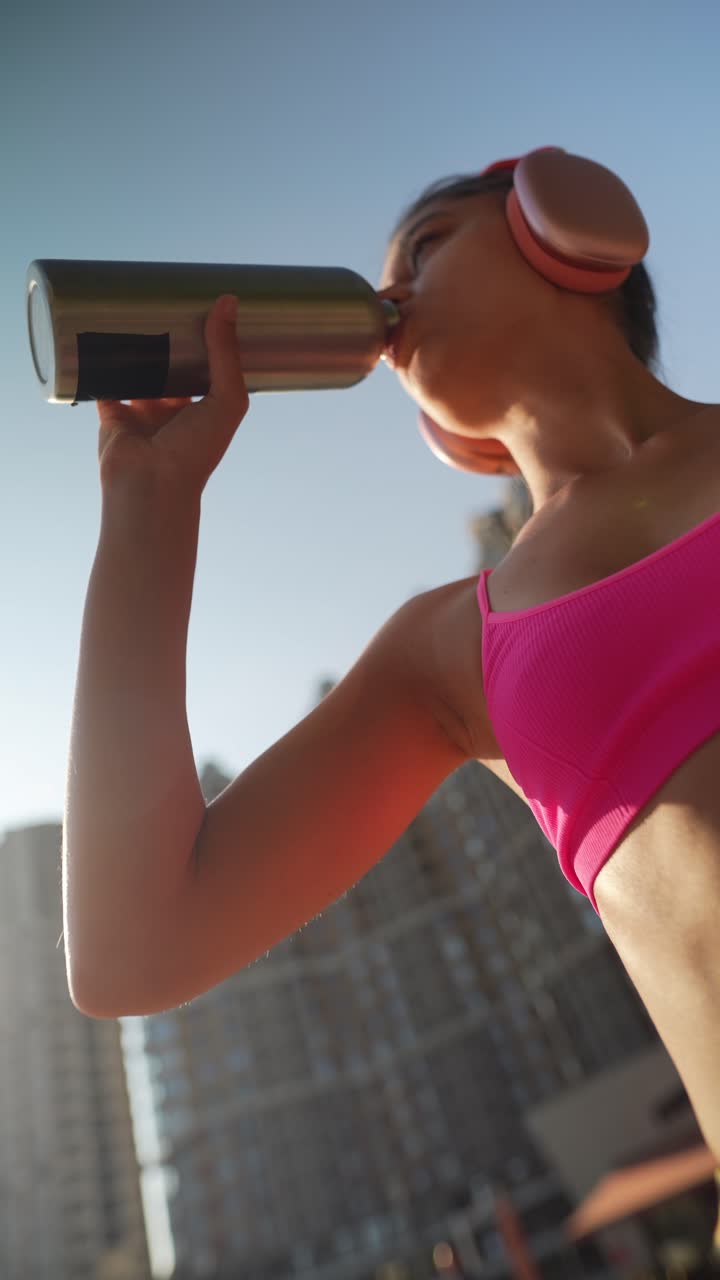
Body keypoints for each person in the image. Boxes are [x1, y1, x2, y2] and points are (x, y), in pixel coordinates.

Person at [62, 150, 720, 1162]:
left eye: (424, 246)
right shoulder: (450, 647)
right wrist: (148, 509)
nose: (391, 296)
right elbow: (129, 948)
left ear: (566, 222)